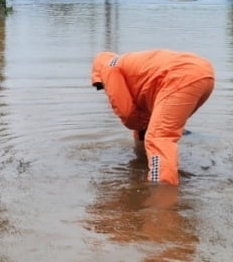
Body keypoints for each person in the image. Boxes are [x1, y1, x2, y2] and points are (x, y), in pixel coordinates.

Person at [90, 49, 215, 185]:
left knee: (159, 138)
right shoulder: (125, 65)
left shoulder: (108, 68)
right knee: (159, 130)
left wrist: (142, 129)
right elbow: (144, 119)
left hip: (182, 78)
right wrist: (141, 150)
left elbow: (127, 114)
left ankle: (161, 193)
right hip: (205, 75)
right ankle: (153, 165)